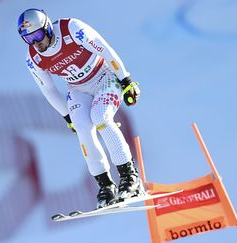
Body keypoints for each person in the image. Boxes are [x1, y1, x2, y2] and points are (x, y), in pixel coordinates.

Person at [17, 8, 146, 208]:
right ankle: (106, 187)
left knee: (100, 117)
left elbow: (104, 48)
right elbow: (48, 90)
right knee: (82, 127)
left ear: (47, 27)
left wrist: (126, 79)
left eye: (37, 35)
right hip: (78, 88)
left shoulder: (71, 28)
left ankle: (130, 178)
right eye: (28, 38)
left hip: (104, 77)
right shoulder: (33, 58)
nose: (35, 42)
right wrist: (67, 117)